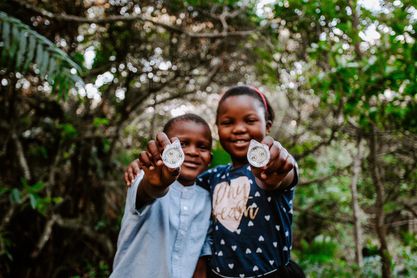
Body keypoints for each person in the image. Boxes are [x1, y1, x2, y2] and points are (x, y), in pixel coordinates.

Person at [124, 86, 305, 278]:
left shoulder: (274, 167)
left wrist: (279, 171)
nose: (239, 129)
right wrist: (145, 165)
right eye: (228, 122)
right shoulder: (212, 178)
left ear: (267, 126)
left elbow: (286, 175)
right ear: (217, 128)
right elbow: (175, 180)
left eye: (250, 120)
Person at [111, 113, 213, 278]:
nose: (193, 152)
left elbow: (200, 257)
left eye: (202, 147)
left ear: (210, 158)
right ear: (162, 150)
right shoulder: (142, 178)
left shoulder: (207, 199)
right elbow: (148, 191)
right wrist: (158, 185)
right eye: (182, 144)